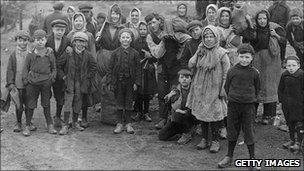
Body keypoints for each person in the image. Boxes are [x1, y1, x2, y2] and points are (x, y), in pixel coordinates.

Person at [187, 25, 230, 153]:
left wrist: (223, 88)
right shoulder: (201, 51)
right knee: (202, 113)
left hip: (215, 88)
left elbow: (226, 73)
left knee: (215, 115)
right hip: (200, 86)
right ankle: (205, 139)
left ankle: (215, 140)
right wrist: (197, 52)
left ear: (216, 37)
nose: (209, 39)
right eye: (206, 37)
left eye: (211, 36)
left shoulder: (222, 53)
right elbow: (191, 64)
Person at [218, 43, 260, 168]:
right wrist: (234, 97)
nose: (244, 60)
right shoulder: (232, 71)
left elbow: (257, 89)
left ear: (252, 57)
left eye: (247, 57)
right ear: (237, 56)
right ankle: (229, 156)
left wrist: (249, 99)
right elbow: (227, 87)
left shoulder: (255, 73)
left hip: (248, 107)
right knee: (232, 130)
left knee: (248, 131)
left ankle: (252, 159)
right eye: (242, 57)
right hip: (233, 106)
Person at [240, 9, 286, 125]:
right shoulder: (253, 29)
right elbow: (245, 39)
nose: (262, 21)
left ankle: (268, 115)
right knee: (256, 84)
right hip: (257, 60)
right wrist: (249, 25)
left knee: (270, 86)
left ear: (268, 19)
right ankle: (252, 114)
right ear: (256, 19)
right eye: (259, 18)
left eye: (264, 18)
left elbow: (284, 41)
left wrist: (275, 35)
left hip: (271, 61)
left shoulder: (274, 28)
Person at [145, 13, 182, 130]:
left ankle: (173, 118)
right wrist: (164, 40)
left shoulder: (171, 32)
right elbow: (156, 53)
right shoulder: (150, 37)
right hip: (162, 67)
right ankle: (163, 118)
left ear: (160, 22)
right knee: (162, 92)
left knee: (174, 91)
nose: (152, 25)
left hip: (175, 66)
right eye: (150, 23)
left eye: (154, 22)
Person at [59, 32, 97, 134]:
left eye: (82, 42)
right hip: (69, 82)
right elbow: (59, 66)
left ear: (85, 44)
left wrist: (88, 77)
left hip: (81, 83)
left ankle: (75, 122)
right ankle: (66, 124)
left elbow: (94, 67)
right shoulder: (68, 53)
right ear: (73, 42)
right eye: (77, 41)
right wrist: (63, 76)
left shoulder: (88, 55)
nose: (79, 44)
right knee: (68, 102)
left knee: (78, 102)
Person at [22, 29, 57, 136]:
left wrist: (52, 79)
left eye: (42, 39)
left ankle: (50, 124)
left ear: (46, 40)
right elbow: (25, 68)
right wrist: (26, 80)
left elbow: (54, 68)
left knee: (46, 103)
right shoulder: (30, 55)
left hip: (46, 83)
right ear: (34, 41)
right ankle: (27, 125)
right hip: (32, 83)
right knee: (30, 104)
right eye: (37, 40)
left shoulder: (49, 53)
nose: (40, 42)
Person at [108, 28, 141, 134]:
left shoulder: (135, 54)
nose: (125, 39)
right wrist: (111, 81)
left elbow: (138, 70)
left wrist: (137, 82)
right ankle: (119, 123)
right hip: (118, 81)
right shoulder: (115, 53)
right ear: (119, 39)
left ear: (131, 39)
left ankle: (128, 123)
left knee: (128, 102)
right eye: (123, 37)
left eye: (128, 37)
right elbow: (110, 68)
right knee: (119, 102)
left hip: (130, 82)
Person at [158, 68, 198, 145]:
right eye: (182, 77)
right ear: (179, 80)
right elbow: (169, 107)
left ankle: (189, 132)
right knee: (162, 136)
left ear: (191, 79)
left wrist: (185, 112)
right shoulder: (176, 90)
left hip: (190, 117)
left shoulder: (194, 90)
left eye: (187, 77)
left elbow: (196, 107)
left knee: (179, 114)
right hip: (177, 118)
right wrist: (169, 98)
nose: (184, 80)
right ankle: (180, 131)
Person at [6, 30, 34, 133]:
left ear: (28, 41)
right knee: (19, 104)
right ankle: (18, 122)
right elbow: (10, 70)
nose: (23, 43)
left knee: (29, 104)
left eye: (25, 40)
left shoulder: (31, 54)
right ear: (17, 41)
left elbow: (34, 67)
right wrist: (10, 83)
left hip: (29, 84)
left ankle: (28, 122)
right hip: (17, 85)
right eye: (20, 40)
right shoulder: (13, 55)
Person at [45, 19, 72, 128]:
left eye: (62, 30)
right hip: (48, 72)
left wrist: (71, 47)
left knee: (60, 95)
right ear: (52, 29)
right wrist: (45, 48)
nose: (59, 32)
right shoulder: (47, 39)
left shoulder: (67, 40)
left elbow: (72, 49)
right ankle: (48, 120)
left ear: (65, 30)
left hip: (60, 73)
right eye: (57, 30)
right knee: (46, 95)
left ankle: (57, 116)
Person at [131, 21, 157, 122]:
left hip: (148, 71)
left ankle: (146, 112)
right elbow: (132, 56)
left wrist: (150, 56)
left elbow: (156, 57)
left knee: (146, 92)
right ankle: (139, 112)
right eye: (140, 29)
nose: (142, 31)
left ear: (147, 30)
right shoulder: (135, 42)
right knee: (138, 92)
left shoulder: (151, 41)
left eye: (144, 29)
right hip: (138, 70)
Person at [278, 56, 304, 153]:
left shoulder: (301, 75)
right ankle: (292, 139)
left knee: (299, 123)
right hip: (287, 105)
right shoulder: (284, 75)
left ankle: (299, 142)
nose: (291, 68)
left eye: (293, 65)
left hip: (299, 105)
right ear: (285, 66)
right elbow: (280, 89)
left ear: (298, 65)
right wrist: (282, 100)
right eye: (288, 65)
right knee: (290, 122)